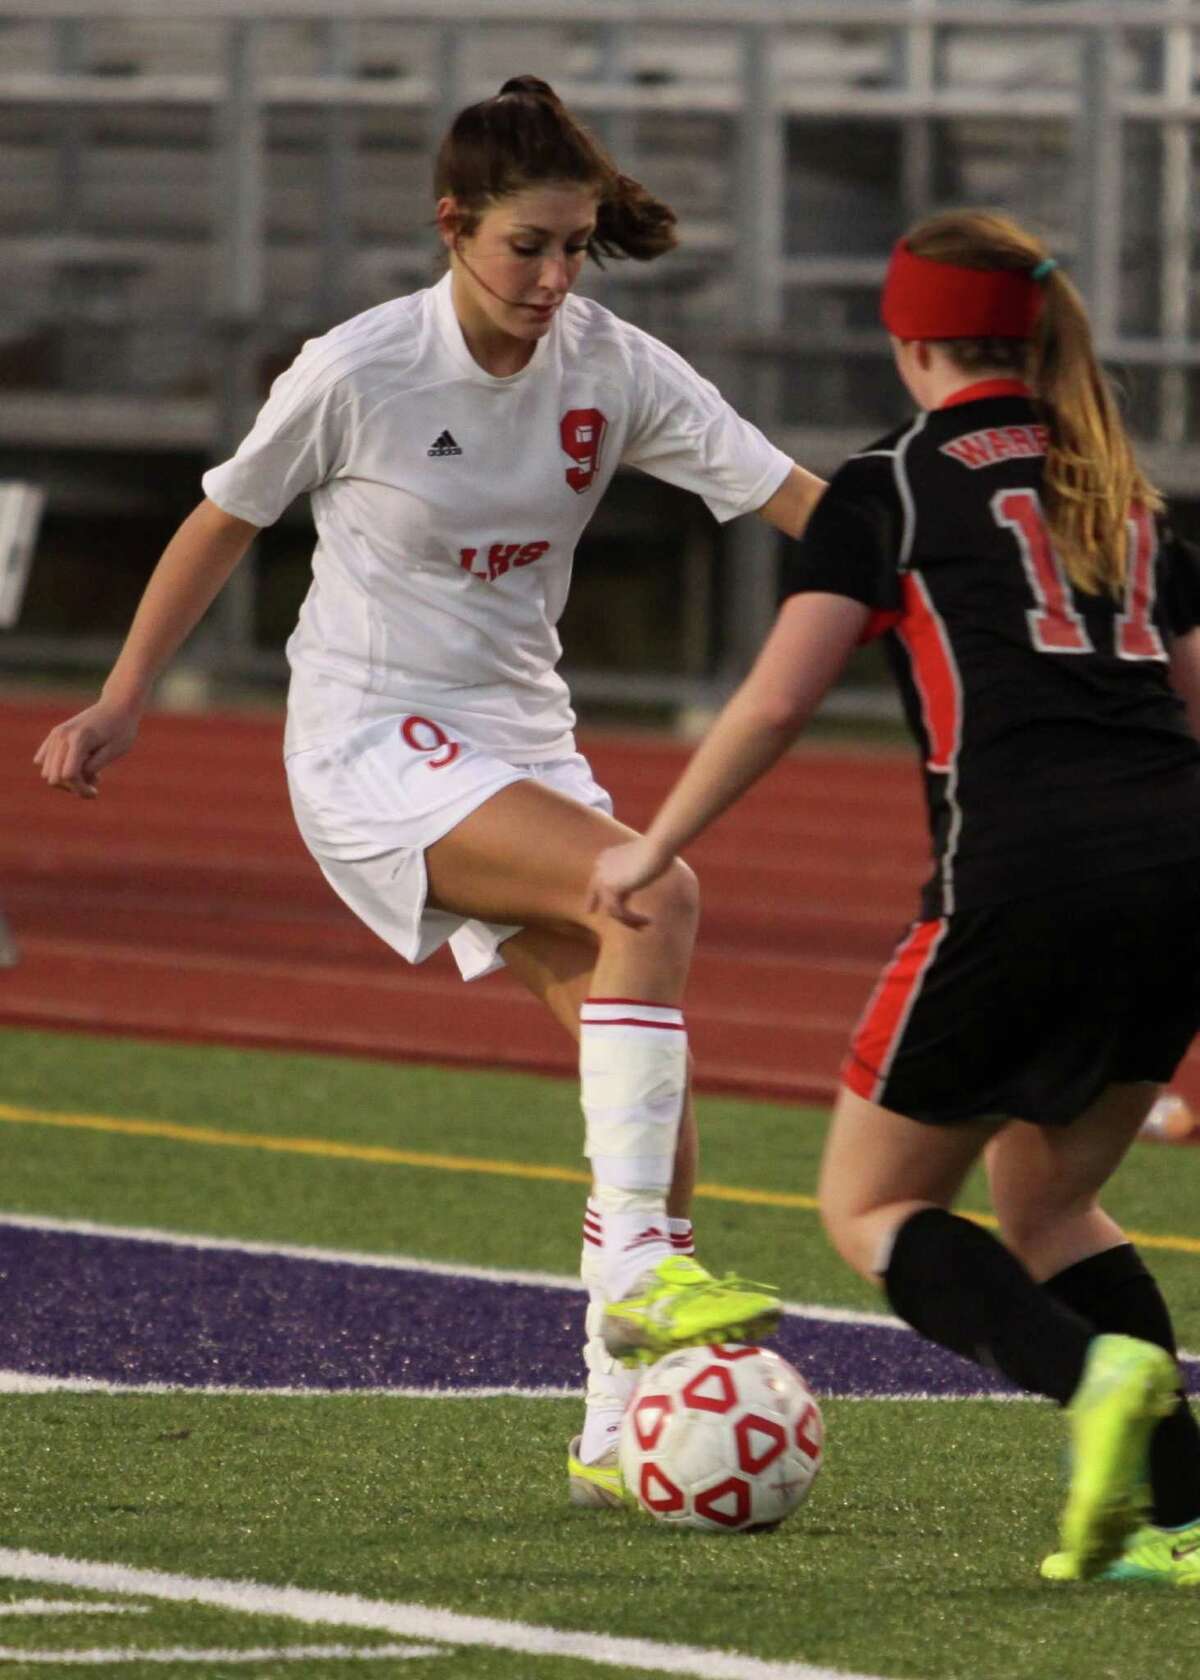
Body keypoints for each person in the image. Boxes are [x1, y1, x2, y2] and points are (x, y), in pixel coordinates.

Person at [33, 76, 823, 1508]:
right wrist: (126, 694)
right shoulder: (361, 367)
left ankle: (611, 1423)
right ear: (454, 227)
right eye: (529, 245)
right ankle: (644, 1271)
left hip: (522, 739)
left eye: (576, 246)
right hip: (369, 739)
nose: (555, 277)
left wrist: (955, 556)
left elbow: (793, 500)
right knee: (654, 886)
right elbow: (225, 515)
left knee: (635, 1050)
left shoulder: (613, 364)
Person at [587, 207, 1200, 1581]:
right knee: (1050, 1210)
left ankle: (1088, 1374)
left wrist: (652, 842)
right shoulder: (1128, 492)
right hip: (1177, 882)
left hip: (1019, 876)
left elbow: (779, 699)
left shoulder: (891, 488)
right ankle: (1183, 1522)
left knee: (872, 1209)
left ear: (906, 338)